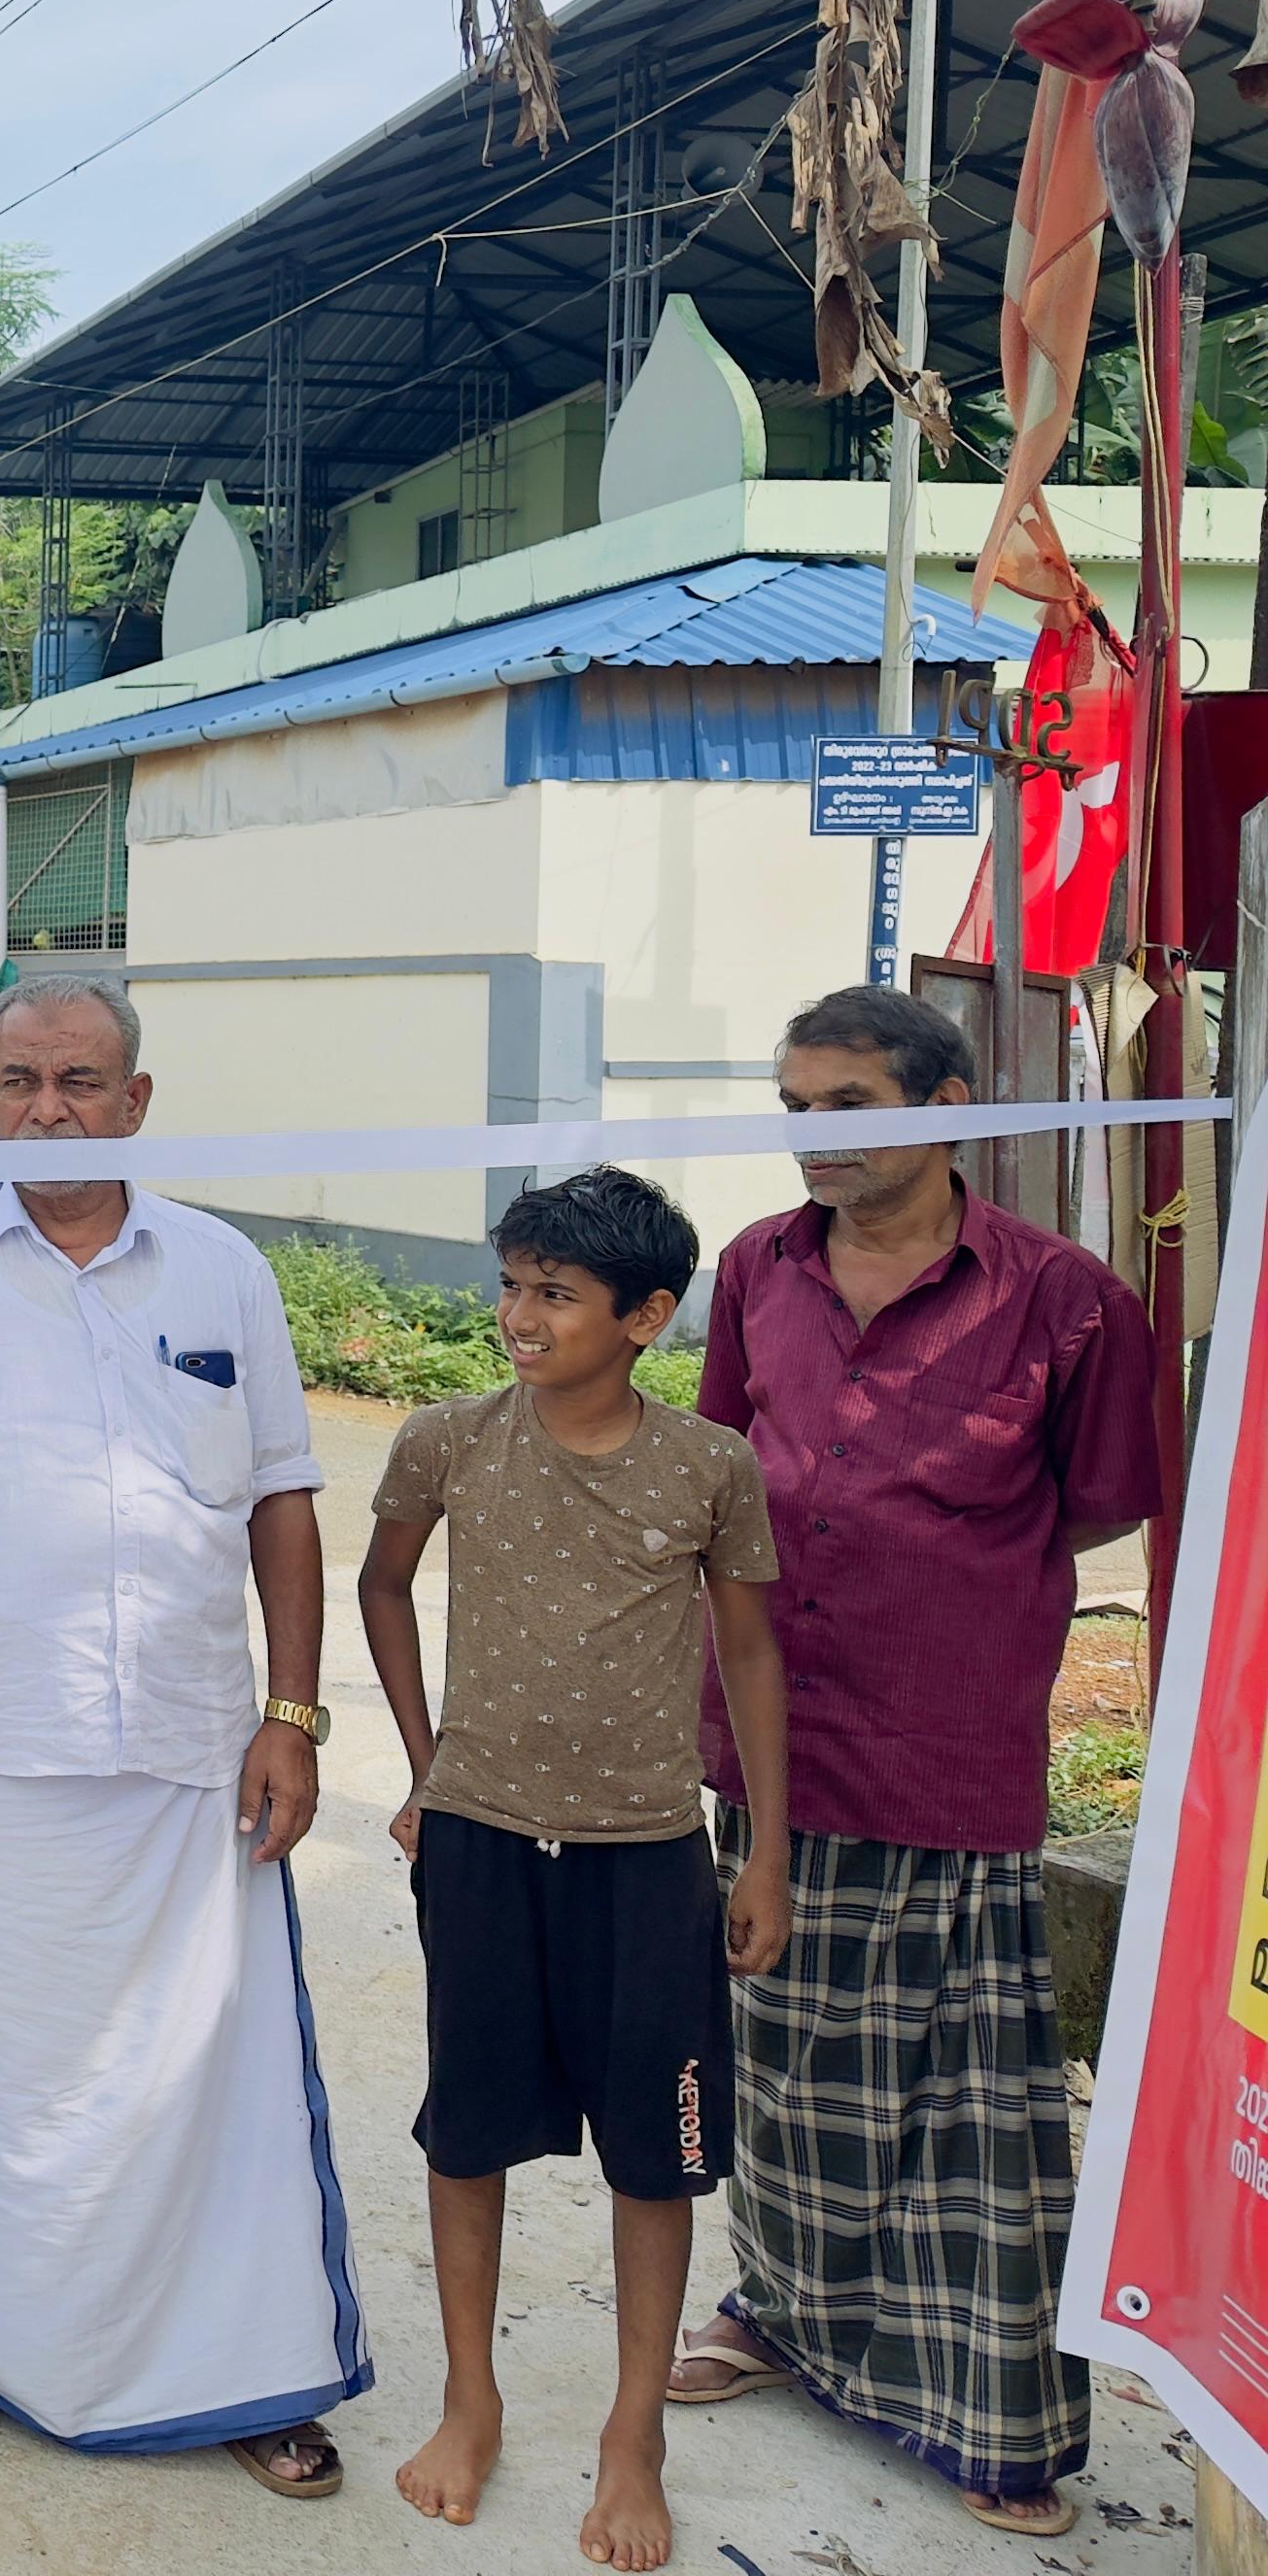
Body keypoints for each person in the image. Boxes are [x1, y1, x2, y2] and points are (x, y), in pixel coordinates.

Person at [0, 975, 370, 2493]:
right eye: (16, 1082)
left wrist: (292, 1714)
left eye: (80, 1082)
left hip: (196, 1753)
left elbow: (283, 1496)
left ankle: (243, 2364)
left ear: (138, 1100)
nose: (46, 1110)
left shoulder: (223, 1272)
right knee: (2, 2072)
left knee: (211, 2072)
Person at [666, 984, 1167, 2543]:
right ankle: (783, 2317)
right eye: (795, 1107)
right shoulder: (755, 1268)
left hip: (944, 1736)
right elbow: (721, 1471)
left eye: (852, 1109)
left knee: (968, 2092)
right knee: (785, 2055)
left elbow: (1099, 1501)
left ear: (947, 1107)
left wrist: (939, 1573)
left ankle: (991, 2416)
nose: (814, 1137)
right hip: (767, 1736)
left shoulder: (1066, 1298)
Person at [357, 1168, 793, 2574]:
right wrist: (424, 1766)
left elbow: (749, 1655)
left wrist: (764, 1850)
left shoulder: (708, 1466)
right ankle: (468, 2398)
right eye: (514, 1285)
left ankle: (631, 2431)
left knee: (656, 2154)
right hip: (482, 1845)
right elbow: (382, 1584)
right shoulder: (450, 1440)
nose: (519, 1316)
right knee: (467, 2129)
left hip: (647, 1863)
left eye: (556, 1293)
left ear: (647, 1315)